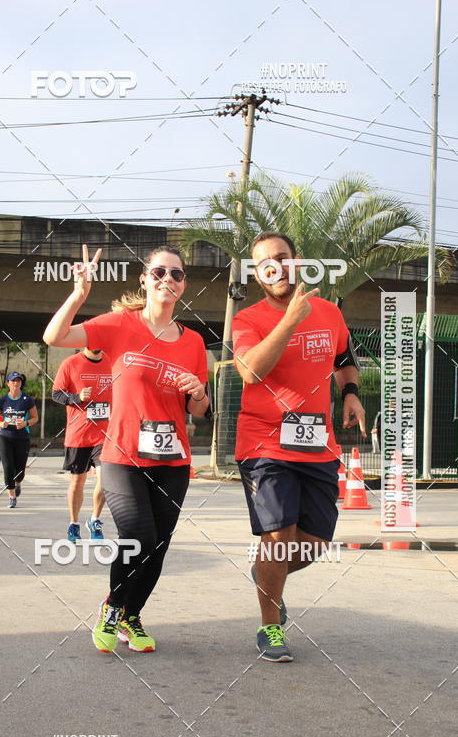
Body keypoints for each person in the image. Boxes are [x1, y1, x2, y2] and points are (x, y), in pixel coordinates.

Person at [44, 244, 210, 654]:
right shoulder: (120, 325)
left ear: (183, 284)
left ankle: (132, 617)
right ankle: (113, 606)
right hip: (120, 455)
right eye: (159, 272)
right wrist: (79, 295)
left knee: (159, 544)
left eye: (176, 274)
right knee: (138, 534)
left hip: (173, 459)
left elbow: (200, 410)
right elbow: (55, 336)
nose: (167, 280)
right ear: (144, 279)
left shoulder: (193, 344)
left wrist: (200, 393)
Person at [233, 232, 365, 662]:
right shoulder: (248, 319)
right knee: (278, 533)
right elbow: (251, 372)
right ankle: (270, 627)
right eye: (264, 262)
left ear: (296, 261)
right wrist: (289, 320)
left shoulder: (328, 313)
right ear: (256, 272)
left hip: (317, 445)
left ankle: (265, 578)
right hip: (264, 442)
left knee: (312, 545)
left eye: (281, 258)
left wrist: (350, 394)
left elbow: (344, 359)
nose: (274, 266)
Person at [52, 347, 112, 543]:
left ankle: (94, 519)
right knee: (78, 482)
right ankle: (74, 523)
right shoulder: (70, 363)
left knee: (106, 480)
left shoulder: (113, 362)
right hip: (79, 435)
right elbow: (56, 394)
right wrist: (77, 397)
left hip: (105, 435)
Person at [0, 373, 38, 509]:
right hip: (5, 437)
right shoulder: (2, 400)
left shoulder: (27, 399)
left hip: (22, 438)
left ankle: (18, 482)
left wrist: (25, 423)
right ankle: (12, 497)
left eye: (18, 381)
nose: (16, 383)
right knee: (7, 467)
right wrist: (1, 424)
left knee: (20, 470)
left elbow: (35, 418)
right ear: (8, 383)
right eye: (13, 381)